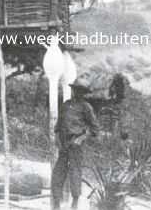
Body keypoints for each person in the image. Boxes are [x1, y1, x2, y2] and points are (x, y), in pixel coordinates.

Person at [51, 78, 100, 210]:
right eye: (76, 90)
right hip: (63, 145)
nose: (77, 93)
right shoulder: (66, 105)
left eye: (81, 91)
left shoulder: (86, 107)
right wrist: (57, 138)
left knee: (75, 173)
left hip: (76, 145)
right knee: (58, 174)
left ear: (84, 93)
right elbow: (58, 125)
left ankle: (75, 204)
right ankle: (56, 204)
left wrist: (81, 138)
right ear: (73, 90)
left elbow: (95, 129)